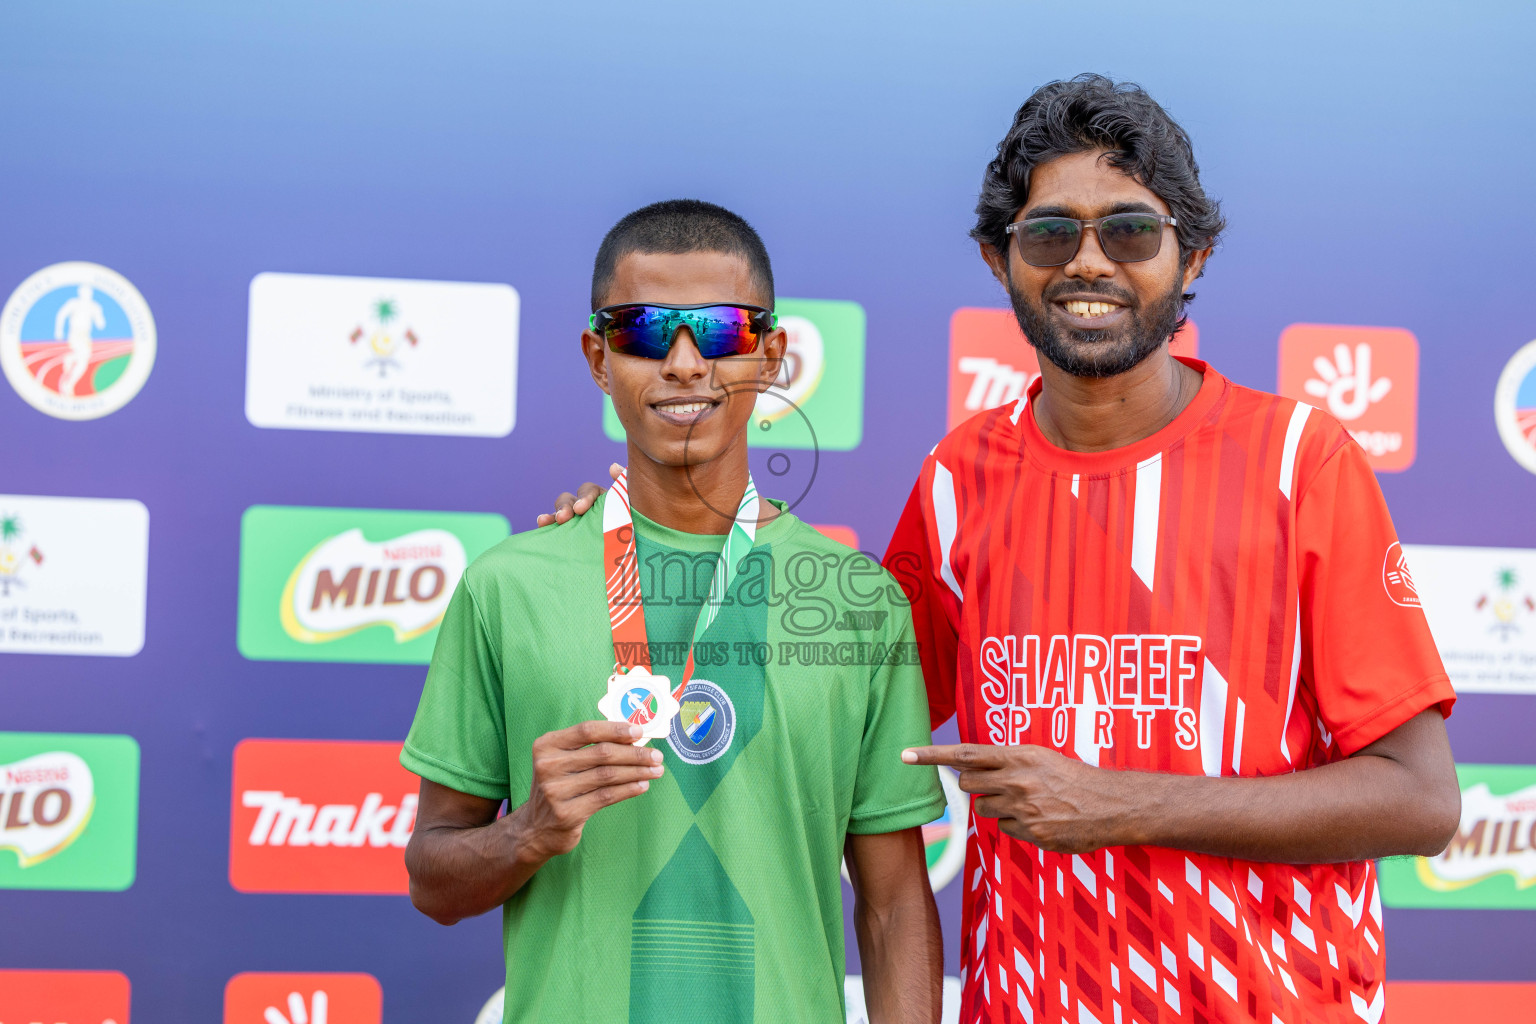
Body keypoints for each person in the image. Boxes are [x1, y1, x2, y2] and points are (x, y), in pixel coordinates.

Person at [543, 78, 1461, 1024]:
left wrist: (1119, 804)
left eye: (1132, 232)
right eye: (1052, 233)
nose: (1089, 263)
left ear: (1194, 257)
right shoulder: (957, 479)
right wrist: (641, 532)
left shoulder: (1299, 462)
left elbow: (1419, 800)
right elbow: (831, 695)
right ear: (999, 259)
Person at [402, 199, 946, 1024]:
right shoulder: (507, 586)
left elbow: (896, 903)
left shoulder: (857, 601)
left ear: (770, 356)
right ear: (598, 356)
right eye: (644, 330)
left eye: (721, 331)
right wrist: (527, 834)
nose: (686, 362)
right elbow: (432, 882)